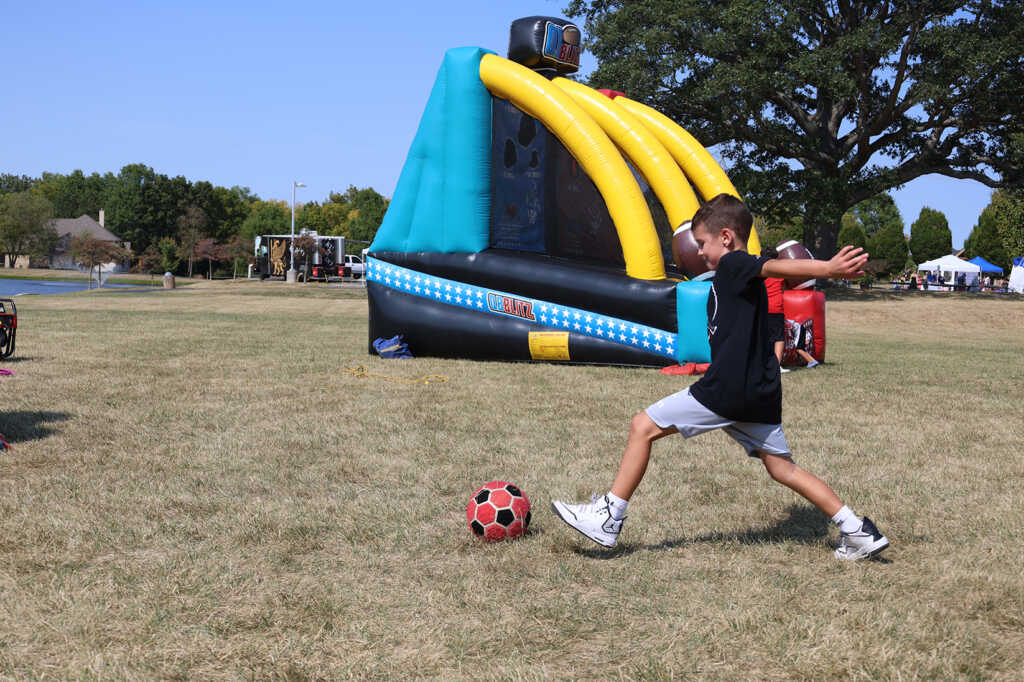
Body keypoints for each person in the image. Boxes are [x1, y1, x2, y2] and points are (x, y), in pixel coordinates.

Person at [551, 194, 889, 561]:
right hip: (760, 393)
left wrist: (826, 269)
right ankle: (857, 531)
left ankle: (608, 516)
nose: (699, 253)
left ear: (726, 237)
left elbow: (772, 266)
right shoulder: (740, 278)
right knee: (783, 468)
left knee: (642, 426)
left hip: (728, 389)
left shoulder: (734, 265)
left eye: (702, 243)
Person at [761, 246, 789, 373]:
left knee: (763, 337)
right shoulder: (780, 272)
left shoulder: (760, 270)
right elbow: (786, 285)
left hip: (762, 307)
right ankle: (776, 366)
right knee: (778, 338)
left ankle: (763, 364)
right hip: (776, 308)